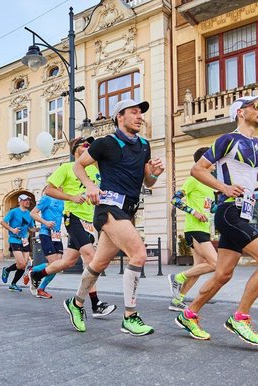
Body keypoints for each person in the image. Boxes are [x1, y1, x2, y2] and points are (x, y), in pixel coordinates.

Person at [176, 93, 258, 346]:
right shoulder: (227, 140)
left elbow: (246, 181)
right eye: (255, 106)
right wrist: (223, 188)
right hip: (229, 212)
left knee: (223, 274)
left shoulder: (257, 145)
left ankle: (189, 314)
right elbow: (197, 170)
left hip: (242, 211)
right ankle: (240, 318)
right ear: (240, 112)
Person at [66, 99, 164, 336]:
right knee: (138, 254)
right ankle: (130, 316)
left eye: (141, 113)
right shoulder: (106, 143)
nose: (140, 116)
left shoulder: (144, 145)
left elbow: (146, 181)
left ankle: (76, 303)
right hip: (108, 207)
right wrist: (90, 185)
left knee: (98, 264)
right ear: (120, 116)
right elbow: (78, 166)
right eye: (134, 112)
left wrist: (155, 175)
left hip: (128, 211)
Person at [29, 138, 116, 317]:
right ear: (75, 149)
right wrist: (71, 197)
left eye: (91, 146)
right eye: (85, 145)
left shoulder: (95, 169)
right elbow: (49, 190)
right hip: (73, 217)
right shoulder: (66, 168)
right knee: (91, 257)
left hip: (90, 220)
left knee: (67, 262)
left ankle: (37, 275)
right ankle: (95, 304)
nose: (89, 148)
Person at [168, 147, 217, 311]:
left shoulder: (210, 185)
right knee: (215, 263)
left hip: (204, 229)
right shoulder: (194, 179)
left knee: (199, 267)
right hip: (194, 228)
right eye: (212, 157)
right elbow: (175, 200)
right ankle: (177, 277)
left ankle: (177, 300)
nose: (215, 161)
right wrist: (193, 212)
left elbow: (211, 208)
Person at [0, 194, 34, 292]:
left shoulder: (30, 214)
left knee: (23, 265)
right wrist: (12, 229)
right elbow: (2, 222)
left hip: (25, 241)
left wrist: (43, 227)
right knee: (21, 263)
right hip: (14, 239)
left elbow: (31, 227)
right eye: (25, 200)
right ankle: (7, 270)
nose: (27, 202)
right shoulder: (14, 212)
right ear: (20, 201)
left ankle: (13, 284)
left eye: (28, 200)